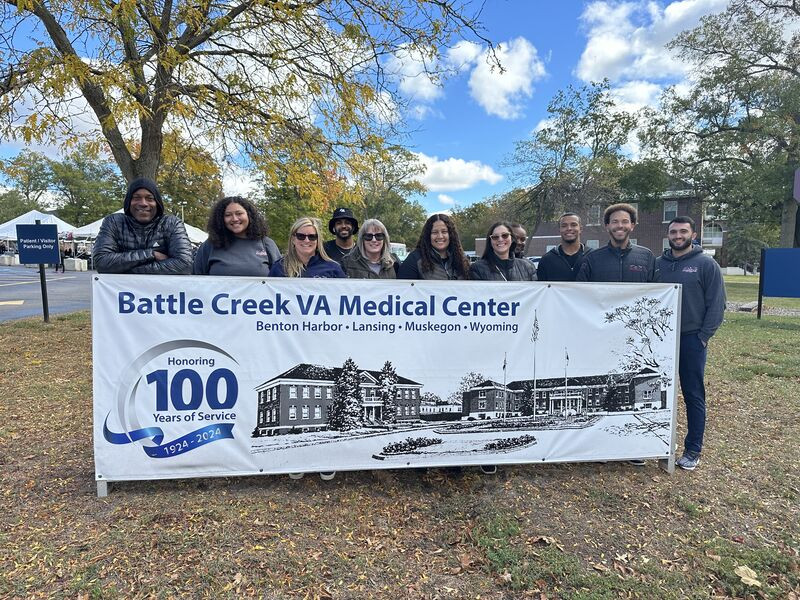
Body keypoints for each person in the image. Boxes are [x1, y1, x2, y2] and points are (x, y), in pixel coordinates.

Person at [656, 216, 726, 471]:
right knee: (655, 392)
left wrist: (703, 337)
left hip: (691, 339)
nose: (678, 236)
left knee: (693, 394)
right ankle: (657, 443)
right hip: (661, 338)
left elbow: (717, 305)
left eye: (683, 231)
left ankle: (693, 449)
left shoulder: (706, 265)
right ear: (668, 235)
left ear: (693, 234)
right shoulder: (658, 265)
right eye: (673, 232)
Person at [93, 177, 192, 274]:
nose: (143, 203)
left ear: (157, 203)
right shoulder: (113, 222)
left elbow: (185, 264)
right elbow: (101, 262)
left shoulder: (172, 223)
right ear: (129, 202)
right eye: (136, 198)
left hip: (163, 290)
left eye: (150, 198)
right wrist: (151, 254)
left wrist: (125, 270)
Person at [193, 196, 280, 276]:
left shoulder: (266, 244)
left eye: (239, 213)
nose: (234, 219)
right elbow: (196, 281)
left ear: (249, 215)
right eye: (228, 215)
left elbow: (281, 279)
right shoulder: (209, 246)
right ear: (220, 219)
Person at [576, 203, 658, 283]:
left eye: (625, 221)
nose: (620, 225)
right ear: (607, 226)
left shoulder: (647, 257)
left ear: (632, 226)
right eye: (615, 222)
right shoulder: (592, 259)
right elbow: (582, 291)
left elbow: (657, 291)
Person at [397, 213, 470, 280]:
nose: (440, 236)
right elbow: (403, 289)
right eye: (434, 232)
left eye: (444, 232)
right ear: (428, 236)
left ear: (451, 234)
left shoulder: (462, 261)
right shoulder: (414, 260)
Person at [269, 217, 345, 278]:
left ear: (318, 240)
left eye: (312, 237)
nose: (306, 240)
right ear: (293, 239)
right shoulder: (279, 267)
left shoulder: (333, 268)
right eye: (301, 236)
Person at [470, 221, 537, 281]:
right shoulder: (478, 269)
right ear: (490, 241)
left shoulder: (528, 267)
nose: (500, 239)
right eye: (495, 237)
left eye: (505, 235)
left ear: (512, 238)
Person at [536, 213, 591, 281]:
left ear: (581, 229)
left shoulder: (592, 257)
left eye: (573, 225)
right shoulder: (546, 260)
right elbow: (542, 289)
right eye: (564, 226)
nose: (569, 228)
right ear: (559, 230)